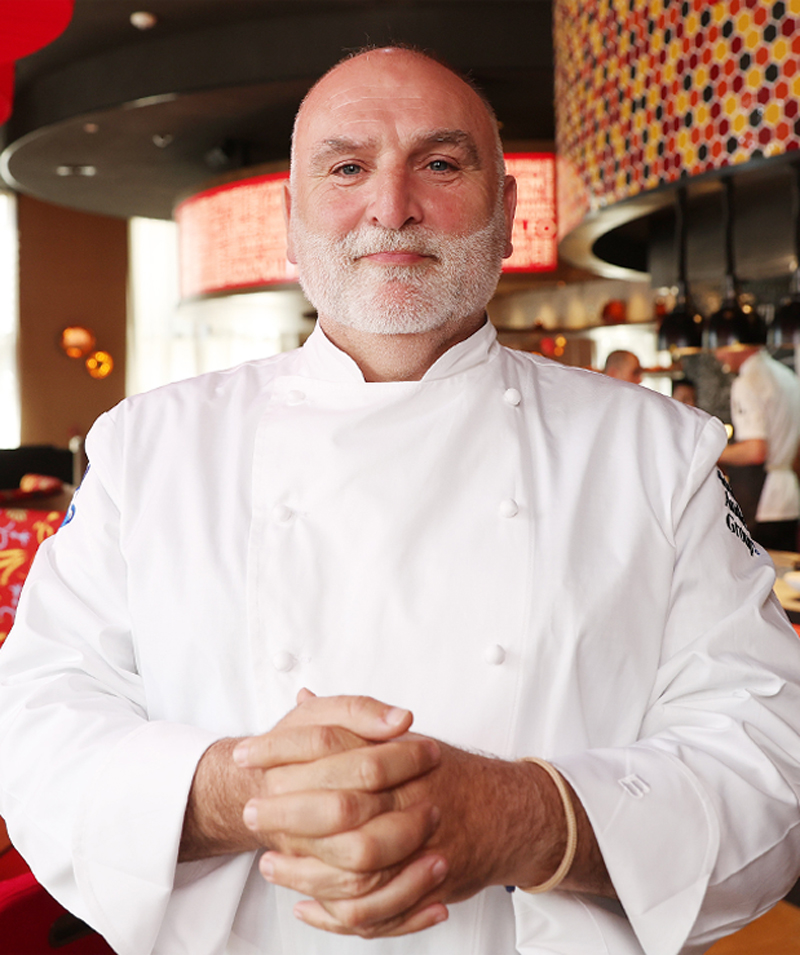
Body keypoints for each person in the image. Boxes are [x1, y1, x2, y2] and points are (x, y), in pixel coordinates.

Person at [1, 46, 800, 955]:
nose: (391, 207)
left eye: (441, 163)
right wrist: (240, 788)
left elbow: (768, 751)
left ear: (506, 215)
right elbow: (35, 727)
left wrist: (524, 817)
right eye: (348, 168)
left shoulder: (656, 454)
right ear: (292, 224)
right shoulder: (147, 448)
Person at [717, 343, 800, 552]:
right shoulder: (786, 375)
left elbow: (755, 451)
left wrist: (711, 452)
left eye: (720, 346)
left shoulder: (748, 382)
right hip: (788, 495)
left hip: (761, 498)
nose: (718, 356)